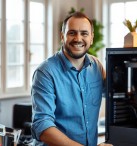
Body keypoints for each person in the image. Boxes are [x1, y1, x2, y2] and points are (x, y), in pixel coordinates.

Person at [31, 12, 112, 146]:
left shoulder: (97, 66)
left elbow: (116, 97)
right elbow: (42, 126)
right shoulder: (45, 72)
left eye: (84, 33)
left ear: (91, 38)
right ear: (62, 37)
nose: (78, 39)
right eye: (72, 33)